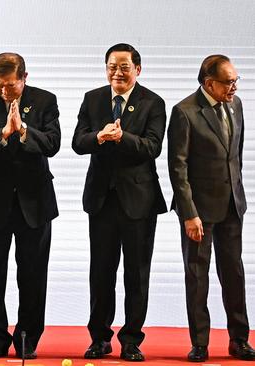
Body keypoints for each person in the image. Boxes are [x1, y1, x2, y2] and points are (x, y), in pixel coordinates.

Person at [72, 43, 167, 362]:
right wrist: (100, 136)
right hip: (101, 200)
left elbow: (152, 147)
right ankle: (99, 338)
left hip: (138, 200)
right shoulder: (93, 98)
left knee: (136, 275)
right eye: (112, 66)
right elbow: (77, 142)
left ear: (137, 70)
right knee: (100, 273)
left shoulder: (153, 102)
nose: (118, 72)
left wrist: (121, 137)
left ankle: (131, 340)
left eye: (124, 67)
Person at [0, 52, 60, 359]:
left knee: (32, 275)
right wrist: (3, 133)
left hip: (34, 203)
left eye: (10, 86)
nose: (4, 92)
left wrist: (23, 130)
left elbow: (52, 143)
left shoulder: (46, 100)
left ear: (24, 78)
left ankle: (27, 340)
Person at [168, 54, 255, 362]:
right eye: (228, 82)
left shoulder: (237, 105)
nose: (233, 87)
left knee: (234, 273)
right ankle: (200, 343)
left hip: (232, 206)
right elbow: (177, 168)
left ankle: (239, 339)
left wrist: (239, 195)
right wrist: (189, 213)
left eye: (235, 80)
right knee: (198, 276)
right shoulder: (185, 112)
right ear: (209, 83)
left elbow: (236, 156)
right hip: (199, 213)